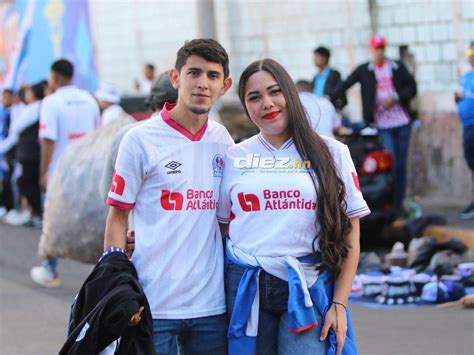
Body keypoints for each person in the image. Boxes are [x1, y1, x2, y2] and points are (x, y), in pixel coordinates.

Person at [217, 58, 370, 355]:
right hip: (247, 285)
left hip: (307, 284)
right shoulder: (233, 157)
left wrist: (338, 303)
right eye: (254, 97)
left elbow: (351, 232)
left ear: (290, 94)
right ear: (246, 107)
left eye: (275, 92)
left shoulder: (332, 152)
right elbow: (220, 228)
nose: (267, 103)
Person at [104, 39, 233, 354]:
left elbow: (229, 222)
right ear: (175, 78)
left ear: (225, 85)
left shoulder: (223, 141)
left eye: (213, 76)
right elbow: (118, 215)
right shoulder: (139, 140)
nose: (202, 83)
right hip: (152, 304)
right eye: (194, 73)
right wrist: (119, 290)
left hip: (211, 307)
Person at [30, 59, 100, 287]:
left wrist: (43, 172)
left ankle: (51, 270)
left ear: (55, 77)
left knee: (51, 218)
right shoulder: (89, 100)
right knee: (91, 218)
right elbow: (97, 135)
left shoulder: (50, 102)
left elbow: (48, 142)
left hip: (59, 171)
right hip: (87, 170)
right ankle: (98, 269)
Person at [335, 34, 417, 212]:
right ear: (371, 50)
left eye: (382, 49)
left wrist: (395, 98)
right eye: (376, 49)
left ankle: (399, 203)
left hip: (402, 122)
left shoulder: (395, 66)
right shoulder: (366, 70)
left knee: (401, 165)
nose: (379, 52)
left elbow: (412, 87)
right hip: (381, 125)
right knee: (391, 162)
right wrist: (333, 100)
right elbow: (346, 83)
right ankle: (389, 203)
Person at [0, 81, 47, 226]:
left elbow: (16, 127)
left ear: (33, 94)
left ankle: (35, 213)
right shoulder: (37, 107)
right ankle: (33, 212)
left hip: (29, 153)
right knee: (27, 181)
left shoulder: (33, 108)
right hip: (31, 152)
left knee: (24, 181)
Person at [455, 42, 474, 219]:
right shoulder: (467, 77)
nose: (471, 55)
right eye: (469, 52)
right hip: (468, 126)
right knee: (471, 162)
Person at [312, 46, 346, 111]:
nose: (314, 59)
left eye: (317, 56)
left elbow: (339, 92)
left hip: (331, 109)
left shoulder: (334, 74)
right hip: (318, 109)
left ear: (324, 58)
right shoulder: (315, 77)